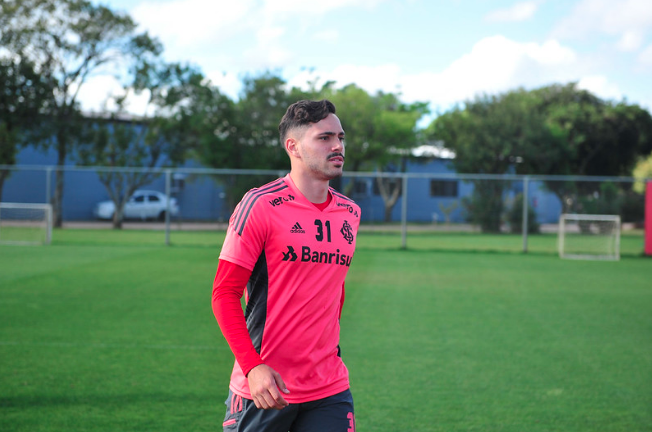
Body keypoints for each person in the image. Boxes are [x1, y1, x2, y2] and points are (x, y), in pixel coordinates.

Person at [212, 99, 361, 432]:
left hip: (329, 385)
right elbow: (224, 293)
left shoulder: (350, 213)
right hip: (266, 386)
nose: (337, 146)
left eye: (340, 137)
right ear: (293, 147)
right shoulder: (260, 205)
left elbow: (333, 287)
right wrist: (253, 367)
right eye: (324, 138)